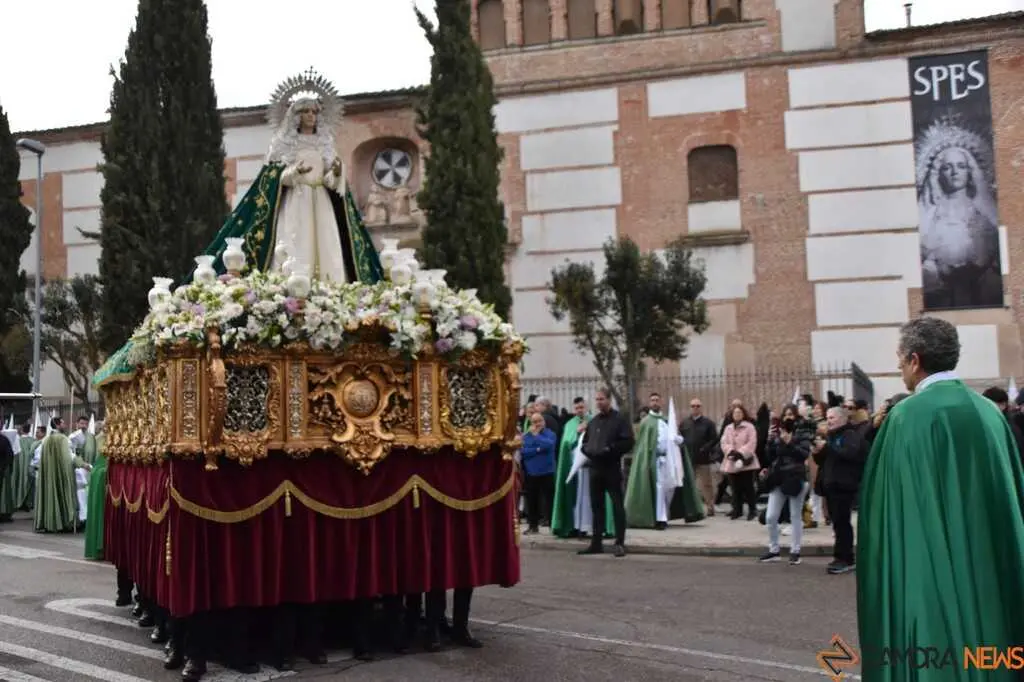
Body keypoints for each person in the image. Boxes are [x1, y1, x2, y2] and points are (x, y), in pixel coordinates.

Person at [858, 317, 1024, 681]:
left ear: (915, 360)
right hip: (986, 557)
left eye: (900, 359)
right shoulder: (989, 413)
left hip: (928, 559)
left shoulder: (904, 417)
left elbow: (889, 507)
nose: (899, 368)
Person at [194, 70, 383, 284]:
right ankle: (292, 283)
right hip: (296, 200)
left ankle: (331, 284)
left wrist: (336, 173)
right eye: (306, 111)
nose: (311, 115)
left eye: (314, 111)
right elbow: (274, 179)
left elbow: (330, 182)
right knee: (296, 239)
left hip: (321, 201)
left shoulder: (325, 144)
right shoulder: (283, 144)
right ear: (296, 115)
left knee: (327, 240)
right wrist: (294, 173)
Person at [624, 393, 704, 529]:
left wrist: (679, 440)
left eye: (657, 400)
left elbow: (675, 438)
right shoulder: (646, 422)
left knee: (670, 487)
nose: (655, 402)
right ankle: (660, 519)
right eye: (652, 400)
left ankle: (665, 514)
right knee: (659, 488)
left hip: (670, 460)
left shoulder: (667, 421)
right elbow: (643, 445)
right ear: (650, 403)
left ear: (661, 402)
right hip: (656, 461)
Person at [578, 388, 634, 557]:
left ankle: (620, 543)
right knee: (596, 506)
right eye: (597, 399)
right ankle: (596, 543)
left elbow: (628, 442)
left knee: (617, 506)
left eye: (602, 399)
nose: (599, 402)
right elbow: (585, 442)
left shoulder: (619, 420)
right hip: (595, 468)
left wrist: (610, 449)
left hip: (611, 468)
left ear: (609, 400)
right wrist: (589, 450)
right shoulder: (594, 422)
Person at [551, 397, 614, 539]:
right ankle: (578, 526)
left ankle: (597, 527)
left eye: (582, 407)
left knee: (594, 497)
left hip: (593, 466)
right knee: (579, 497)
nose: (580, 410)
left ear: (587, 407)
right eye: (577, 408)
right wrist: (577, 433)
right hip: (577, 468)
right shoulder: (570, 424)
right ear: (574, 410)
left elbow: (602, 439)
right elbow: (566, 443)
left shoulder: (595, 421)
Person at [813, 406, 867, 575]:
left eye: (832, 418)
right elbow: (824, 461)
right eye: (827, 418)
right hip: (831, 486)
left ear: (842, 419)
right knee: (837, 523)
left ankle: (846, 558)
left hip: (843, 486)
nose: (828, 421)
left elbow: (849, 454)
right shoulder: (831, 436)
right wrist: (817, 451)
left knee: (842, 523)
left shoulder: (850, 435)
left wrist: (828, 447)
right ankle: (840, 556)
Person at [758, 406, 810, 565]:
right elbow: (770, 456)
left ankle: (795, 551)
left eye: (791, 415)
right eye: (786, 415)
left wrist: (790, 442)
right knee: (771, 516)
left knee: (795, 516)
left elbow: (803, 454)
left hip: (795, 478)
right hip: (778, 478)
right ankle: (774, 549)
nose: (788, 418)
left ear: (796, 417)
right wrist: (770, 441)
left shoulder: (802, 433)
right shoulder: (778, 432)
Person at [32, 417, 91, 533]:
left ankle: (49, 523)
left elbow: (37, 458)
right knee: (63, 496)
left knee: (50, 496)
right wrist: (83, 464)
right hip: (61, 474)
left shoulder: (45, 440)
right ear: (58, 425)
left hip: (49, 475)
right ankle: (63, 523)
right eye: (63, 423)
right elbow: (70, 457)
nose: (65, 425)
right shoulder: (64, 439)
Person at [719, 406, 759, 520]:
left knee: (748, 487)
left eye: (739, 412)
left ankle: (752, 510)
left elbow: (752, 442)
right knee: (735, 487)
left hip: (746, 461)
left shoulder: (749, 427)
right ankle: (737, 509)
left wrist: (741, 452)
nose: (737, 414)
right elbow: (724, 442)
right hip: (732, 460)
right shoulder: (728, 428)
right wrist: (730, 451)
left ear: (743, 414)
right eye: (735, 413)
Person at [521, 412, 556, 535]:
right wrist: (538, 449)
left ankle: (553, 525)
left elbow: (549, 445)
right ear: (531, 423)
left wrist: (536, 437)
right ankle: (533, 526)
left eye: (539, 421)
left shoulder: (550, 434)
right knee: (532, 500)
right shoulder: (526, 436)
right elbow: (524, 452)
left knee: (550, 499)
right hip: (532, 472)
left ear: (544, 422)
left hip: (547, 471)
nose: (537, 424)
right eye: (534, 422)